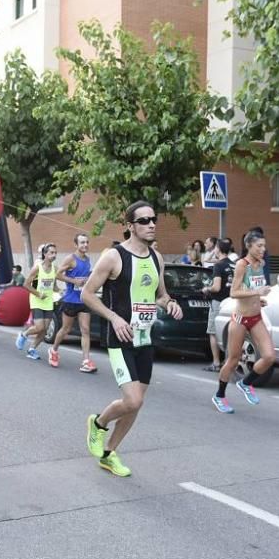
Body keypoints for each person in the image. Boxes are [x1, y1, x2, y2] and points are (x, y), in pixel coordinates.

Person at [82, 201, 182, 477]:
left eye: (154, 219)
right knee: (133, 400)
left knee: (137, 403)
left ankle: (108, 453)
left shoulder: (156, 258)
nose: (151, 224)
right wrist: (113, 317)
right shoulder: (113, 257)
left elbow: (160, 294)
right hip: (119, 337)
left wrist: (169, 303)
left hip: (144, 337)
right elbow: (87, 294)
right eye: (144, 220)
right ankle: (98, 424)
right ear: (129, 226)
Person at [213, 229, 277, 414]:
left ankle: (246, 382)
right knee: (232, 360)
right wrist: (257, 293)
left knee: (269, 356)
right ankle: (219, 396)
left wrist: (258, 300)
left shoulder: (261, 263)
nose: (263, 249)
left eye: (264, 246)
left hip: (256, 317)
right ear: (248, 246)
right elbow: (234, 292)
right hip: (240, 319)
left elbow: (252, 288)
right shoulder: (242, 264)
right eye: (259, 246)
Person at [50, 233, 97, 373]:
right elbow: (57, 274)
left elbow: (84, 276)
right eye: (82, 243)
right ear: (76, 245)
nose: (85, 245)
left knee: (85, 330)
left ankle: (86, 361)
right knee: (66, 329)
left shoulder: (88, 259)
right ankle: (53, 349)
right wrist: (74, 281)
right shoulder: (70, 259)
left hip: (83, 299)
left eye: (87, 242)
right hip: (70, 300)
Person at [15, 243, 58, 361]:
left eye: (55, 253)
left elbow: (54, 285)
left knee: (45, 329)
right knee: (39, 327)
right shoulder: (37, 268)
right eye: (51, 253)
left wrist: (59, 292)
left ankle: (32, 349)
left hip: (48, 301)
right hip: (36, 299)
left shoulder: (55, 268)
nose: (54, 255)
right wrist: (39, 294)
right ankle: (23, 334)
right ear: (45, 254)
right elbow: (26, 284)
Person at [204, 238, 235, 372]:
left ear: (218, 249)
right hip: (231, 302)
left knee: (213, 332)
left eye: (215, 247)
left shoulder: (218, 265)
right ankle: (227, 361)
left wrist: (206, 289)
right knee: (229, 332)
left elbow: (216, 287)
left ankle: (216, 363)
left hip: (218, 302)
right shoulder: (234, 265)